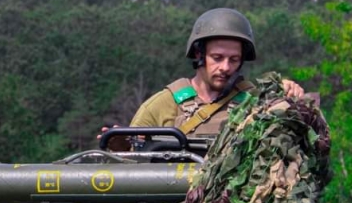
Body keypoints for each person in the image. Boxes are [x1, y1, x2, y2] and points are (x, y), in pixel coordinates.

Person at [101, 8, 305, 149]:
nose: (225, 67)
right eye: (217, 58)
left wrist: (288, 95)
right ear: (199, 55)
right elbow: (129, 169)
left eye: (234, 59)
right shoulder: (164, 104)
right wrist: (124, 148)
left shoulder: (254, 101)